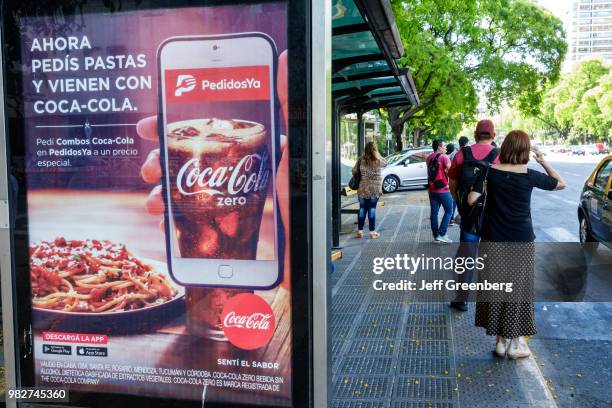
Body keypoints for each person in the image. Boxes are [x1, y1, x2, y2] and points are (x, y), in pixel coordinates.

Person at [467, 130, 566, 359]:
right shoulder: (529, 175)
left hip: (492, 239)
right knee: (517, 291)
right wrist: (543, 161)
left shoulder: (489, 172)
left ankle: (500, 343)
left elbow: (472, 199)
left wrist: (487, 193)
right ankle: (513, 345)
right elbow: (560, 183)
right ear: (525, 150)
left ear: (504, 148)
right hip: (520, 241)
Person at [448, 120, 500, 311]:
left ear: (475, 134)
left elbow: (452, 183)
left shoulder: (463, 153)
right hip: (492, 216)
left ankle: (461, 299)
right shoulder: (499, 156)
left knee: (467, 256)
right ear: (493, 136)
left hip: (469, 215)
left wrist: (461, 206)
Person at [352, 142, 386, 239]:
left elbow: (354, 171)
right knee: (372, 209)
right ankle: (372, 232)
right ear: (375, 150)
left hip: (363, 187)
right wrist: (377, 155)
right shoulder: (378, 160)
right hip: (375, 189)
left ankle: (360, 230)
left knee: (362, 208)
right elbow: (386, 163)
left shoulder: (361, 159)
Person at [426, 140, 453, 243]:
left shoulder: (429, 158)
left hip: (431, 189)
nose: (446, 148)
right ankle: (442, 233)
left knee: (434, 213)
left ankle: (436, 235)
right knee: (449, 210)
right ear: (439, 147)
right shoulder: (443, 157)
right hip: (443, 189)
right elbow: (452, 171)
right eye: (444, 146)